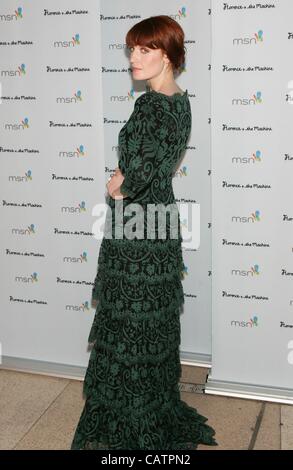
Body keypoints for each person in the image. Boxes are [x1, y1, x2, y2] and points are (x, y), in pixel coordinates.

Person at [70, 15, 217, 450]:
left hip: (136, 225)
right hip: (160, 222)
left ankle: (130, 415)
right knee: (149, 318)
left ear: (168, 55)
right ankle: (152, 403)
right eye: (131, 49)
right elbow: (158, 161)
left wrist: (120, 184)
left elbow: (142, 169)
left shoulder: (150, 104)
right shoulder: (181, 100)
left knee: (129, 320)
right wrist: (129, 176)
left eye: (145, 50)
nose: (134, 58)